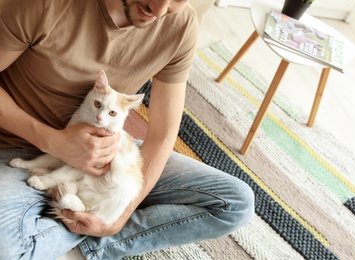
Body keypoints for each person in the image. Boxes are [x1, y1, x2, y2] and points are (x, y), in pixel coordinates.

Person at [0, 0, 255, 259]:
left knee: (235, 203)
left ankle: (85, 244)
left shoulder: (181, 25)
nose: (160, 10)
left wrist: (123, 214)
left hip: (114, 155)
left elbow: (163, 134)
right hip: (21, 147)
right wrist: (54, 142)